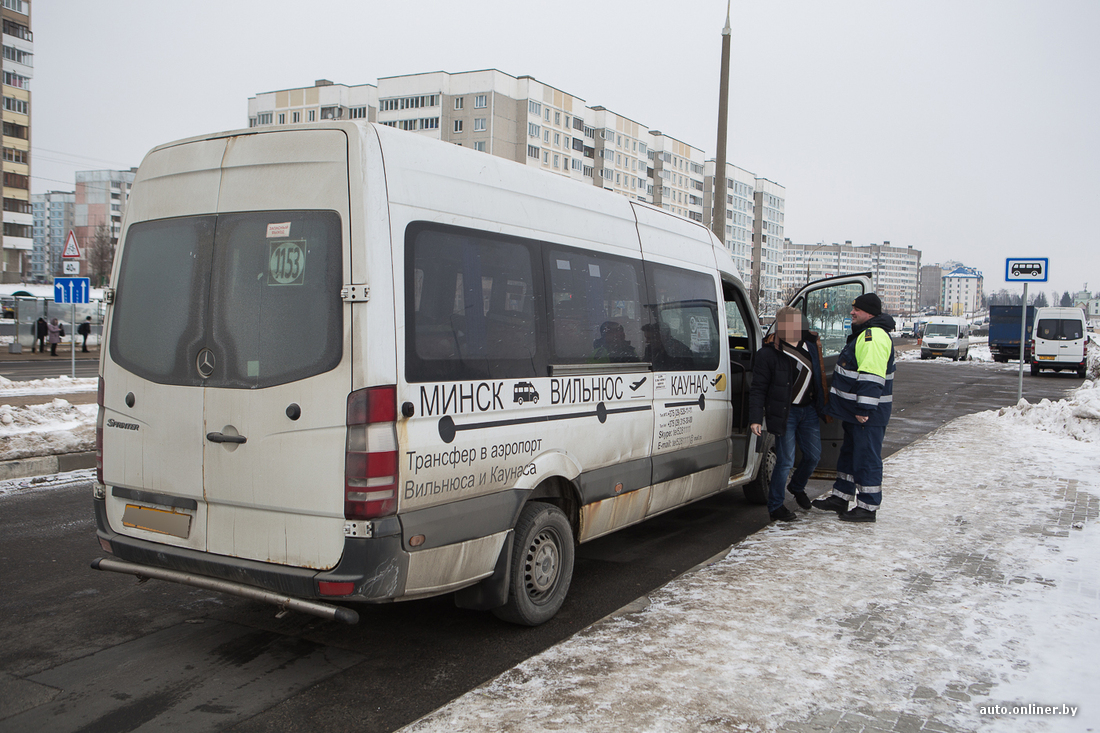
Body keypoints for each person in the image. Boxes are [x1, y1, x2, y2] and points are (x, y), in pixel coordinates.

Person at [812, 292, 896, 522]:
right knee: (849, 454)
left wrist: (863, 410)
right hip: (855, 413)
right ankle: (841, 496)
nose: (852, 312)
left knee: (866, 457)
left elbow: (872, 376)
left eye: (856, 309)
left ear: (869, 313)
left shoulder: (873, 337)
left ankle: (867, 507)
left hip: (867, 414)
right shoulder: (866, 334)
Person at [748, 306, 828, 522]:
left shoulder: (811, 346)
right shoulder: (767, 353)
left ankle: (797, 486)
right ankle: (776, 506)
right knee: (785, 460)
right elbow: (758, 388)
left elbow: (819, 377)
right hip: (785, 413)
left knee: (813, 456)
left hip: (809, 410)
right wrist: (756, 418)